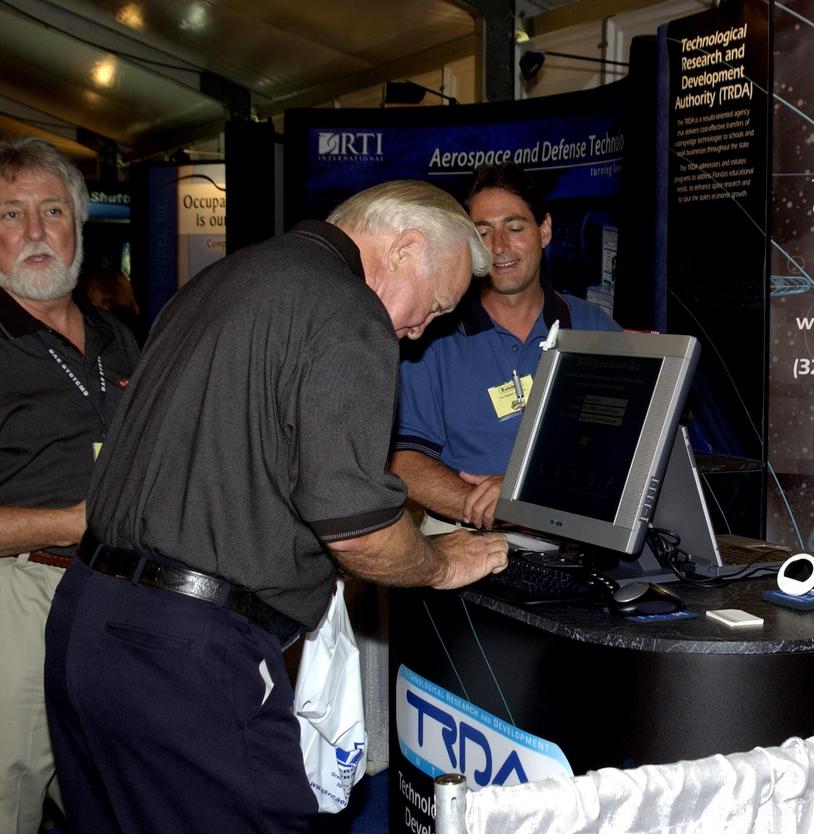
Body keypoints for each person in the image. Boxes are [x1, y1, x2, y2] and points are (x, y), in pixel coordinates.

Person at [44, 179, 510, 834]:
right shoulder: (348, 310)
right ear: (405, 247)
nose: (415, 333)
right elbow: (358, 531)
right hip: (186, 655)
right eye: (432, 307)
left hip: (87, 621)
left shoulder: (224, 280)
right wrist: (439, 562)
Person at [0, 136, 140, 834]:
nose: (35, 232)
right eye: (11, 214)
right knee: (10, 795)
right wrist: (69, 523)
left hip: (124, 598)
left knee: (125, 797)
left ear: (78, 228)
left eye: (52, 211)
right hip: (20, 598)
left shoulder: (121, 337)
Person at [392, 163, 620, 530]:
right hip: (463, 533)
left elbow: (625, 450)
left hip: (573, 536)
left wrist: (527, 501)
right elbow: (404, 461)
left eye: (514, 228)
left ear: (544, 230)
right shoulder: (431, 337)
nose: (499, 247)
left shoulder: (595, 329)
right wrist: (484, 505)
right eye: (483, 232)